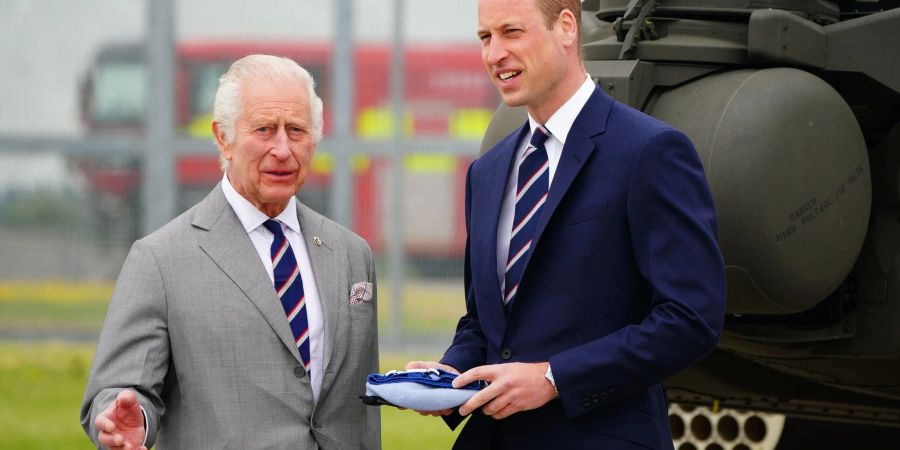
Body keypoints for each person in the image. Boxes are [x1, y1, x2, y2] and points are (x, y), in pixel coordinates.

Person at [405, 0, 726, 449]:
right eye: (485, 37)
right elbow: (486, 324)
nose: (494, 53)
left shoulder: (650, 152)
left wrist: (555, 379)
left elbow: (691, 318)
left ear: (567, 28)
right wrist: (449, 373)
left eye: (511, 32)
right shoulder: (487, 172)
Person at [81, 54, 380, 449]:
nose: (282, 148)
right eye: (264, 129)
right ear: (223, 137)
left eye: (296, 130)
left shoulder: (351, 254)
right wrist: (130, 422)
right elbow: (118, 391)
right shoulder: (160, 261)